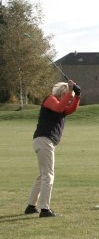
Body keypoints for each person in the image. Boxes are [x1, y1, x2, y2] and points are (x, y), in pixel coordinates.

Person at [25, 80, 81, 217]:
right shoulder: (50, 100)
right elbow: (59, 107)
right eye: (67, 96)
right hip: (44, 140)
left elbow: (71, 109)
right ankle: (45, 209)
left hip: (44, 141)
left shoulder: (61, 107)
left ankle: (31, 206)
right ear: (62, 93)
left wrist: (77, 96)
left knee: (43, 175)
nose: (69, 100)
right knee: (48, 175)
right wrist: (71, 91)